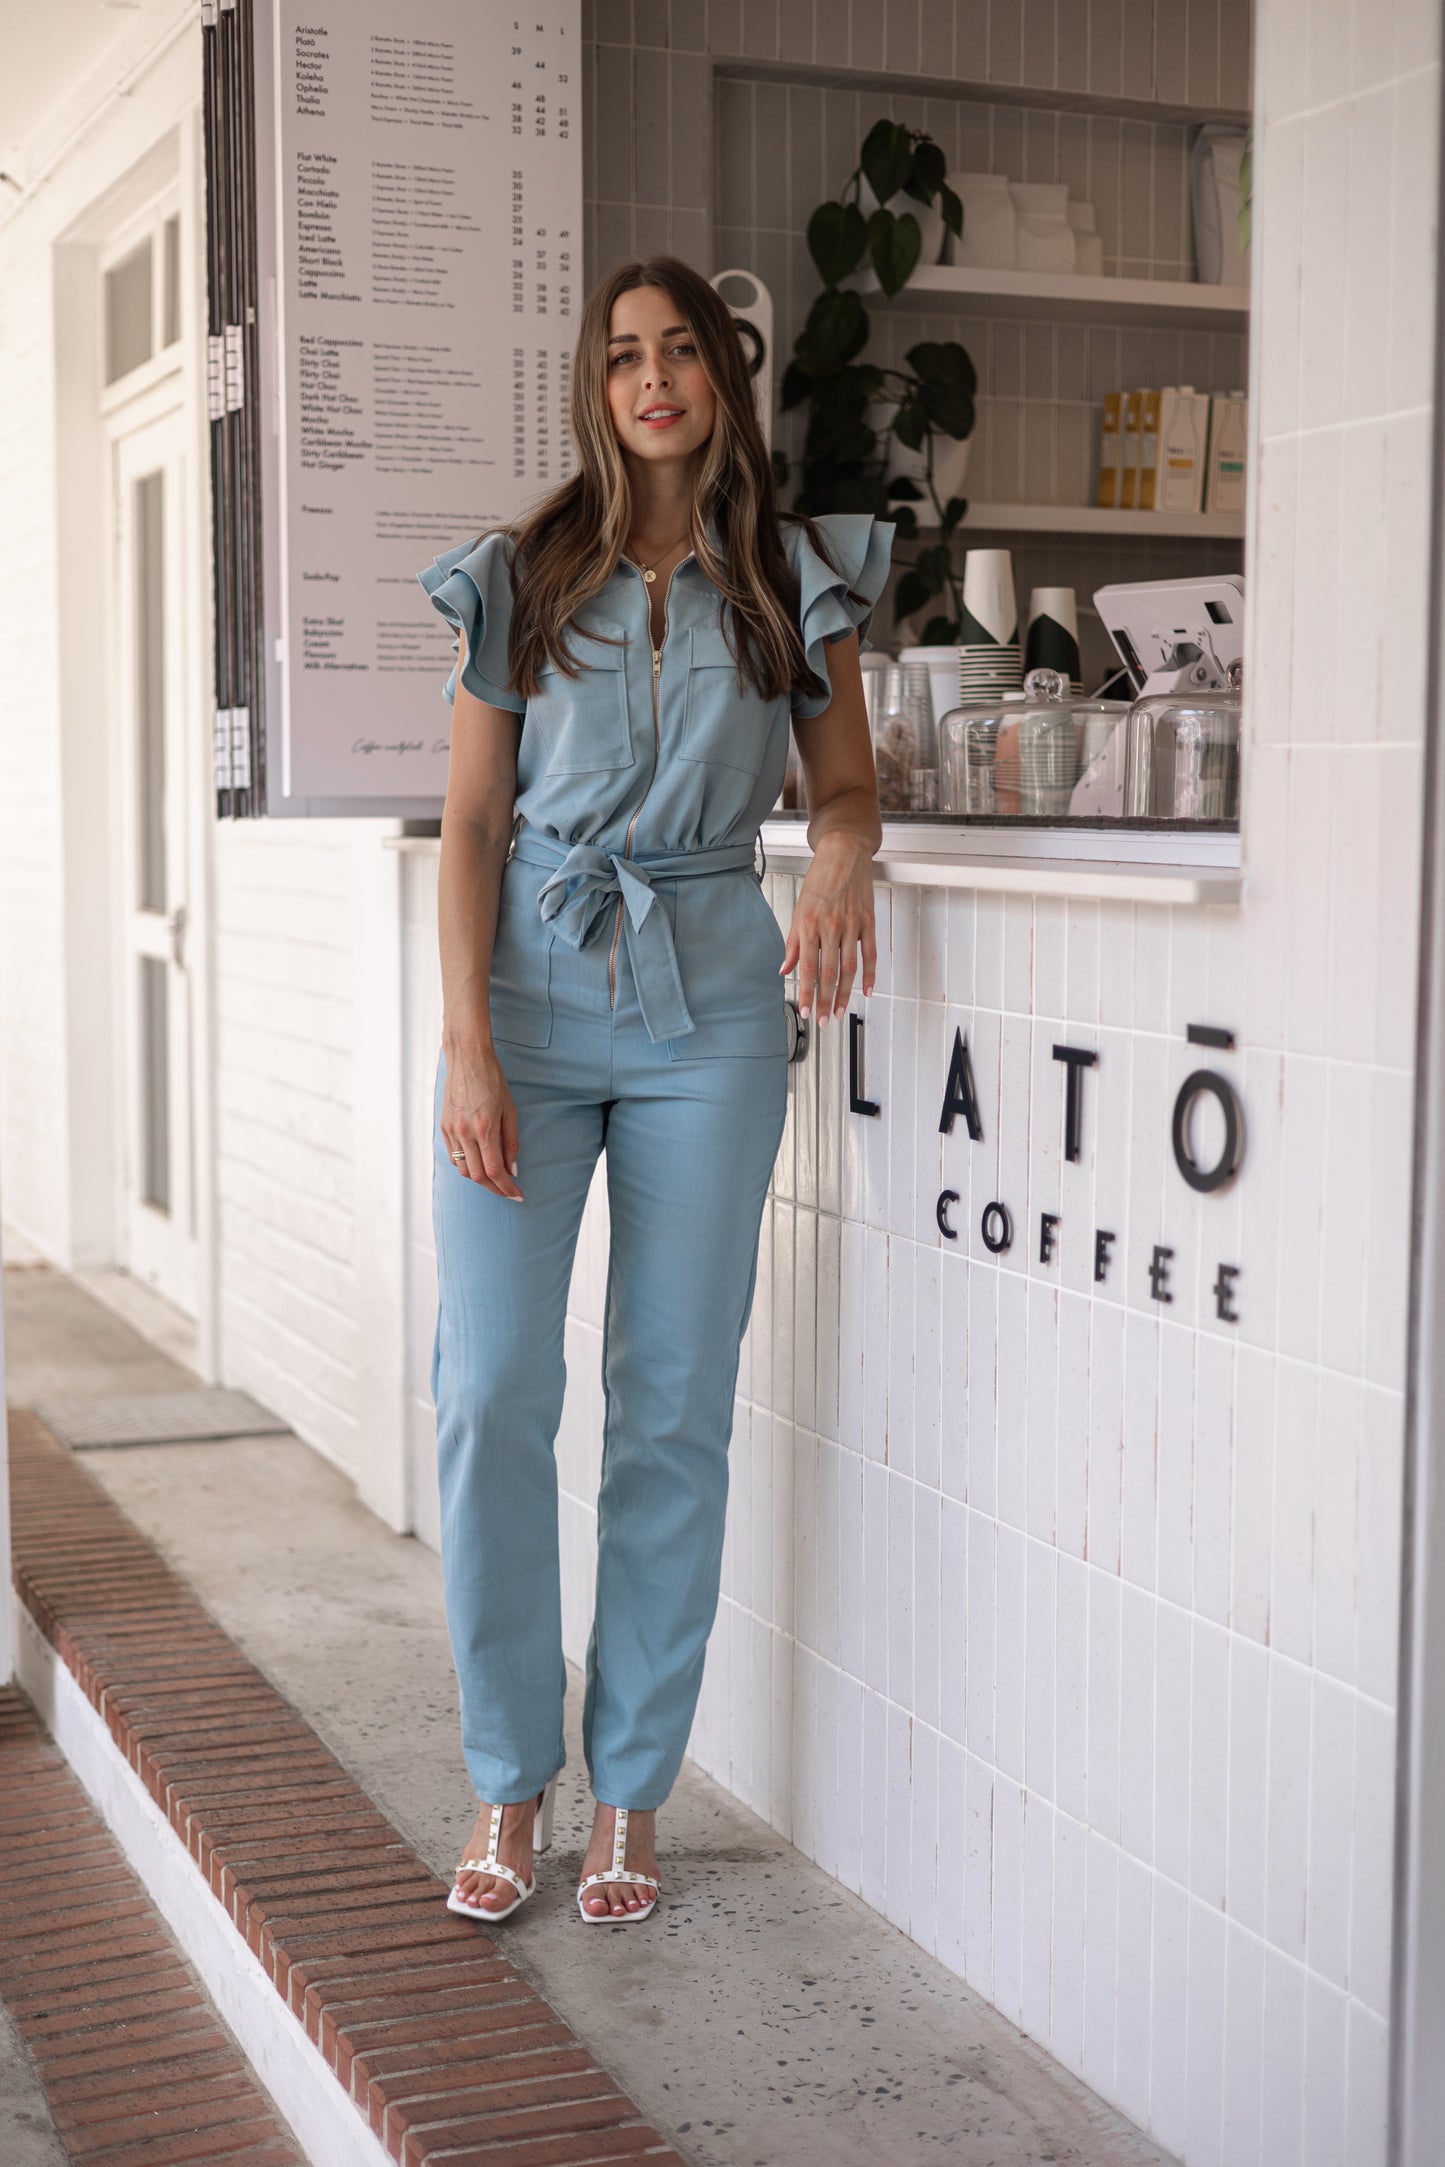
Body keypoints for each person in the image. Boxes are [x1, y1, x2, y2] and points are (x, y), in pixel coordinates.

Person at [416, 253, 891, 1926]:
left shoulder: (793, 582)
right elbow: (473, 826)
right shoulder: (521, 572)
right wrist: (467, 1043)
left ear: (719, 377)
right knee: (487, 1399)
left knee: (671, 1408)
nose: (651, 378)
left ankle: (628, 1794)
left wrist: (839, 865)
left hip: (708, 1014)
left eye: (678, 348)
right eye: (622, 354)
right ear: (593, 384)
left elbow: (844, 792)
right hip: (529, 1008)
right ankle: (503, 1778)